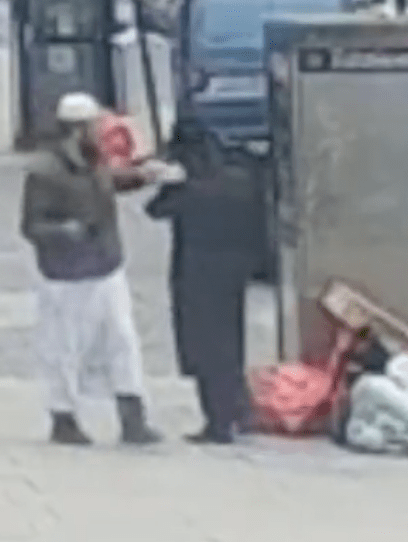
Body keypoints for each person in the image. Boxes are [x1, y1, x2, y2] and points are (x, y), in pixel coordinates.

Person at [21, 92, 168, 446]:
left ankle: (132, 415)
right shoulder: (45, 171)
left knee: (122, 340)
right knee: (65, 347)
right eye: (94, 126)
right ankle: (64, 417)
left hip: (105, 264)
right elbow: (31, 226)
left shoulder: (93, 160)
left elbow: (107, 184)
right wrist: (66, 231)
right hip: (67, 275)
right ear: (78, 129)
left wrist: (142, 177)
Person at [145, 123, 263, 444]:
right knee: (231, 343)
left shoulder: (189, 186)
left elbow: (155, 210)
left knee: (203, 347)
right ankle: (240, 410)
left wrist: (170, 180)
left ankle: (218, 421)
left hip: (197, 274)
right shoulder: (239, 174)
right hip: (234, 273)